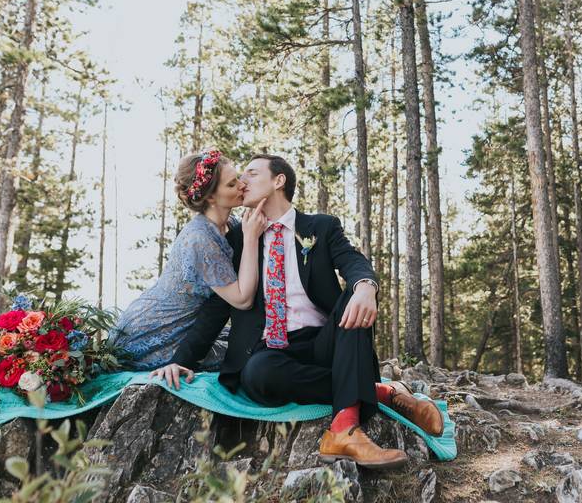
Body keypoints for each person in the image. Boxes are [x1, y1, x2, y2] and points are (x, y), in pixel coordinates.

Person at [151, 154, 443, 469]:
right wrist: (180, 360)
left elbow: (353, 261)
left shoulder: (321, 226)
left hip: (326, 343)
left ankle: (344, 429)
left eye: (251, 173)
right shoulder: (238, 238)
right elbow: (218, 306)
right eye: (240, 176)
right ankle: (381, 393)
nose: (243, 181)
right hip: (271, 352)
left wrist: (366, 287)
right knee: (257, 374)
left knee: (352, 299)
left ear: (279, 181)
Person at [109, 150, 268, 371]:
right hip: (154, 332)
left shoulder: (228, 223)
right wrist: (251, 238)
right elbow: (242, 299)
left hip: (187, 324)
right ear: (211, 197)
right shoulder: (199, 238)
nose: (242, 185)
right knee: (247, 354)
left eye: (238, 178)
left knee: (256, 340)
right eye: (232, 184)